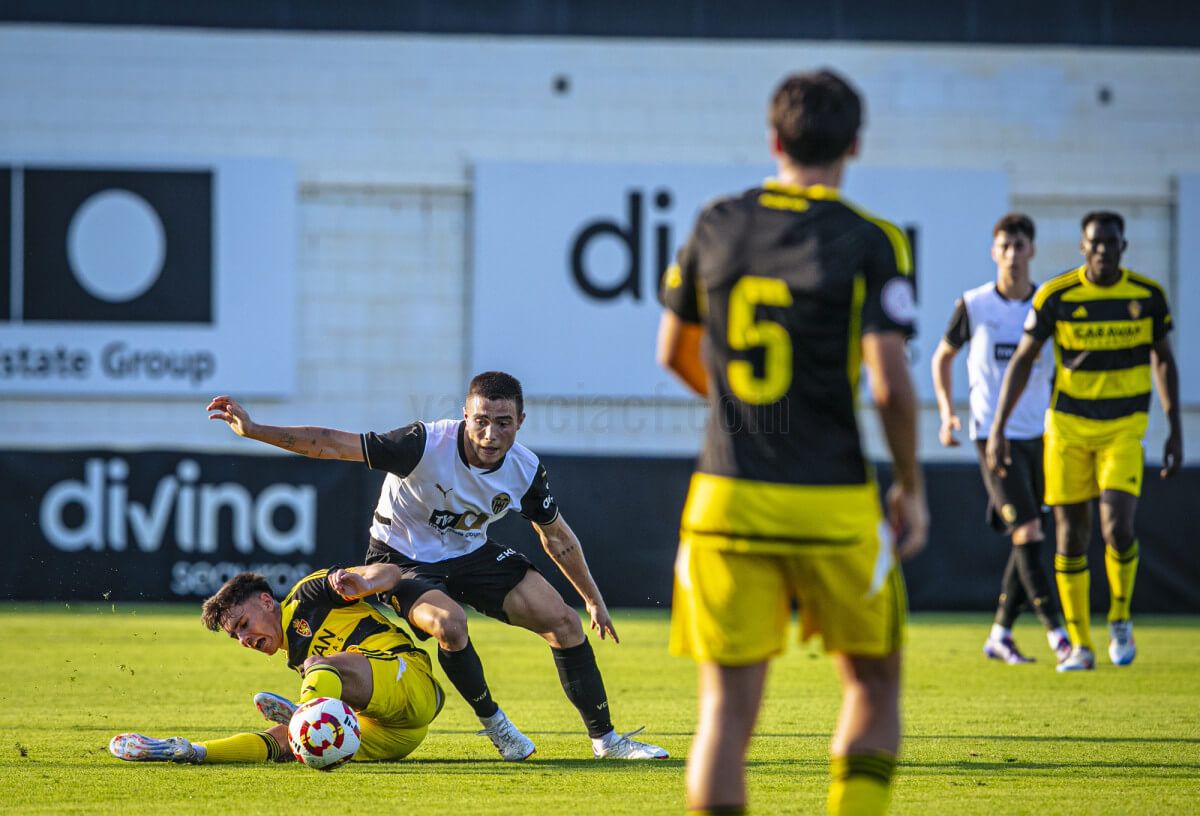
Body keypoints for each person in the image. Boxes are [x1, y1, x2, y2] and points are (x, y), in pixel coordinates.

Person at [657, 69, 927, 815]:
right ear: (855, 145)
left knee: (726, 714)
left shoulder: (715, 221)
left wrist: (750, 414)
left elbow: (673, 352)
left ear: (773, 140)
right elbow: (890, 386)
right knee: (872, 685)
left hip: (725, 499)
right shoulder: (871, 240)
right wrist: (912, 486)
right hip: (832, 503)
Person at [205, 372, 667, 761]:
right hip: (399, 559)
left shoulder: (525, 470)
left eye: (503, 423)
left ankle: (607, 741)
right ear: (465, 416)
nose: (490, 435)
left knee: (565, 623)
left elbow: (558, 537)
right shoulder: (423, 444)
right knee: (449, 623)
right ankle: (498, 726)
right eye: (481, 421)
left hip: (469, 553)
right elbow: (332, 444)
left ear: (520, 422)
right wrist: (257, 430)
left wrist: (591, 598)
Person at [987, 211, 1182, 672]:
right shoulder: (1057, 296)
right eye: (1094, 243)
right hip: (1069, 431)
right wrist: (998, 427)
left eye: (1111, 243)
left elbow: (1164, 360)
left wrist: (1175, 425)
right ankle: (1080, 644)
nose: (1102, 251)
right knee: (1070, 537)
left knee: (1118, 526)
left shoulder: (1147, 296)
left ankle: (1119, 616)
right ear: (1082, 247)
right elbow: (1022, 358)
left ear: (1123, 247)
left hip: (1124, 427)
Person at [109, 564, 444, 764]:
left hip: (410, 680)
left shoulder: (309, 594)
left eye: (242, 625)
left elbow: (391, 572)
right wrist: (197, 752)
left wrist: (366, 583)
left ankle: (305, 714)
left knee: (319, 666)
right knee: (285, 741)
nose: (244, 641)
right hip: (395, 736)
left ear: (267, 601)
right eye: (235, 638)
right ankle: (190, 751)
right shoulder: (294, 656)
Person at [931, 213, 1072, 665]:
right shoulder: (974, 305)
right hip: (993, 436)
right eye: (1004, 245)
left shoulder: (1046, 304)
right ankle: (1059, 636)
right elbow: (942, 358)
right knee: (1029, 530)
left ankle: (1000, 634)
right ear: (993, 251)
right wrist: (948, 414)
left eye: (1020, 245)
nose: (1012, 253)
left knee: (1026, 536)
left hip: (1041, 434)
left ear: (1032, 250)